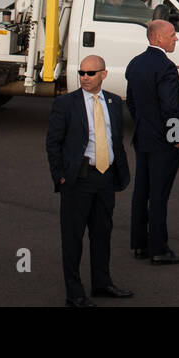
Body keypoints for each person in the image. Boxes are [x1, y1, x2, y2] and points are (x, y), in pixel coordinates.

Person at [45, 55, 133, 307]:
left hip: (106, 178)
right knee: (73, 239)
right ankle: (74, 293)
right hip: (78, 179)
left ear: (103, 75)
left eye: (91, 73)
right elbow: (53, 143)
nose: (84, 77)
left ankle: (102, 283)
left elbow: (116, 140)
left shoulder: (114, 102)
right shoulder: (65, 103)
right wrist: (60, 175)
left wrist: (119, 176)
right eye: (82, 72)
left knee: (102, 234)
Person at [126, 19, 179, 265]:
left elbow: (131, 102)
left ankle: (139, 244)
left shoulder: (136, 64)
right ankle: (159, 248)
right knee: (159, 195)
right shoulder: (165, 67)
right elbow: (171, 107)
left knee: (141, 193)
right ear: (158, 38)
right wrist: (175, 138)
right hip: (163, 144)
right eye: (172, 35)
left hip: (143, 138)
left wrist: (144, 125)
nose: (176, 39)